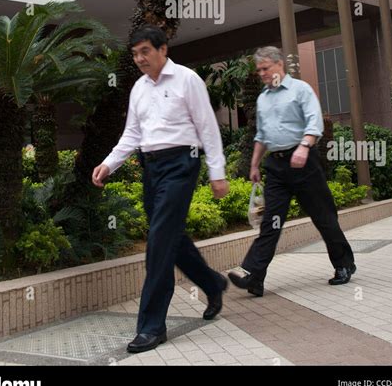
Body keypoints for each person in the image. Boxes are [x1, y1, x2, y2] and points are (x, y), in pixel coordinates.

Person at [92, 25, 229, 353]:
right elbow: (132, 134)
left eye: (145, 52)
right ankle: (212, 283)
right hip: (151, 167)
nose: (139, 59)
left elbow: (208, 128)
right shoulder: (138, 88)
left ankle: (152, 326)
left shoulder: (187, 79)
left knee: (158, 242)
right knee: (170, 236)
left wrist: (217, 172)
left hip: (183, 164)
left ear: (163, 50)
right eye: (135, 53)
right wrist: (109, 163)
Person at [228, 46, 356, 298]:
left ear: (279, 65)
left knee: (324, 218)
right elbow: (262, 136)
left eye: (265, 68)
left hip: (304, 164)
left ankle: (344, 264)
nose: (262, 73)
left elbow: (314, 123)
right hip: (276, 168)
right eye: (259, 70)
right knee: (270, 223)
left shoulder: (300, 90)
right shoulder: (263, 98)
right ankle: (254, 276)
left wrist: (304, 146)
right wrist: (254, 164)